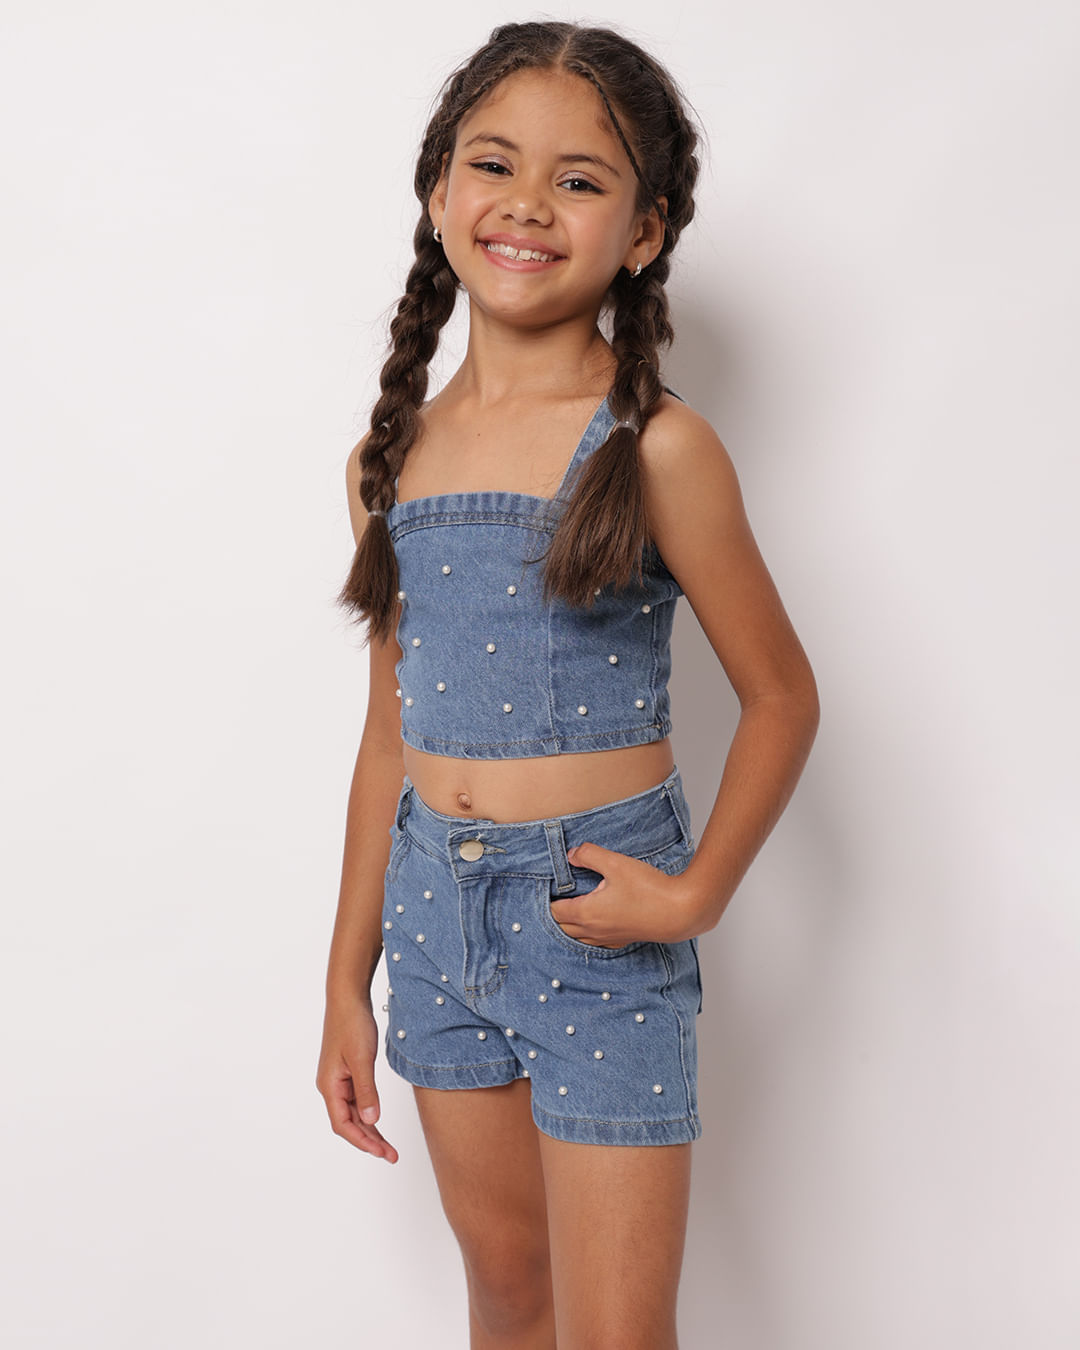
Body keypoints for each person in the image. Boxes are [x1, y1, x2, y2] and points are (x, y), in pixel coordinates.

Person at [316, 20, 819, 1349]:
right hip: (434, 921)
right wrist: (346, 981)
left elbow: (782, 696)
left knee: (615, 1334)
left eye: (580, 179)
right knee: (509, 1298)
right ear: (439, 194)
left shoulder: (656, 449)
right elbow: (386, 739)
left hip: (595, 926)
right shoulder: (386, 461)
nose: (528, 203)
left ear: (643, 232)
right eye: (494, 164)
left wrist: (696, 892)